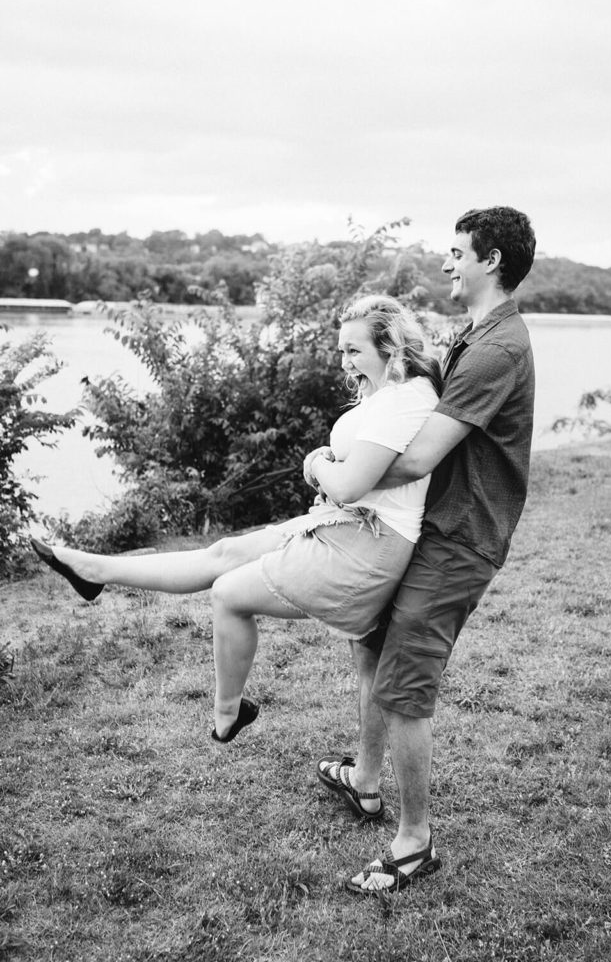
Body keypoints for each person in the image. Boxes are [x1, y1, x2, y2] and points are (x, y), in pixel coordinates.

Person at [31, 294, 442, 744]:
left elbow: (348, 485)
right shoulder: (385, 392)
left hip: (365, 545)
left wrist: (316, 463)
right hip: (343, 523)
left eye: (354, 351)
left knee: (228, 593)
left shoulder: (403, 398)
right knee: (224, 552)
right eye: (341, 350)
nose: (344, 363)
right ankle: (93, 570)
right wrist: (330, 462)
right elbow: (359, 472)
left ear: (389, 347)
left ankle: (227, 714)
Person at [313, 206, 536, 895]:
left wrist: (325, 465)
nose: (445, 262)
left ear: (490, 259)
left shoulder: (497, 348)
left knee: (404, 685)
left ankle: (413, 844)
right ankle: (365, 782)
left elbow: (414, 462)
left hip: (459, 535)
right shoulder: (477, 334)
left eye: (455, 251)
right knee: (371, 646)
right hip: (432, 526)